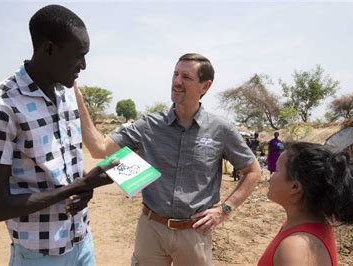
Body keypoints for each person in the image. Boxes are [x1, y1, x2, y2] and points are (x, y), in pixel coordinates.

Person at [76, 53, 261, 265]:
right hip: (151, 228)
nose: (177, 82)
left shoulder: (221, 130)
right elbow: (100, 148)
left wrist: (224, 210)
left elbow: (253, 171)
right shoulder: (148, 125)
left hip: (194, 233)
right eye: (175, 74)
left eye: (186, 77)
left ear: (205, 86)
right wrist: (78, 101)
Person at [0, 5, 118, 265]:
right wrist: (77, 186)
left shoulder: (68, 94)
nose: (84, 65)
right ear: (49, 49)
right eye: (78, 55)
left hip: (82, 242)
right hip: (39, 255)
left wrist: (84, 188)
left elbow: (62, 175)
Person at [258, 142, 353, 266]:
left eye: (277, 170)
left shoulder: (295, 247)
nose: (271, 175)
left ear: (295, 187)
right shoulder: (308, 225)